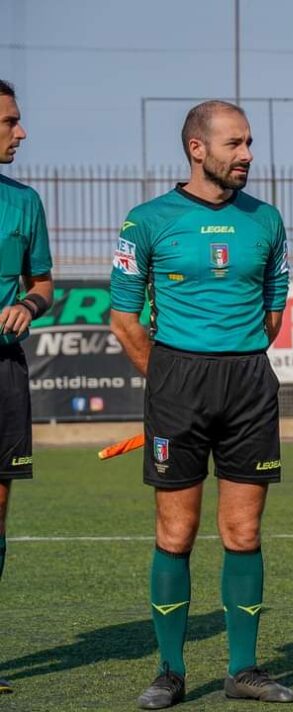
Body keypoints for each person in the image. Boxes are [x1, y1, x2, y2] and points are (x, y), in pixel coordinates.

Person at [110, 100, 293, 709]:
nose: (246, 155)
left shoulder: (266, 220)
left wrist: (231, 359)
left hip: (247, 383)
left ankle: (243, 670)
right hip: (176, 385)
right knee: (177, 530)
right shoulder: (145, 222)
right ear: (198, 148)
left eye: (249, 143)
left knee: (243, 531)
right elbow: (123, 318)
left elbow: (273, 310)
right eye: (234, 144)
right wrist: (168, 377)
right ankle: (170, 670)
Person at [0, 78, 54, 698]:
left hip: (3, 372)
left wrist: (30, 306)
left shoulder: (24, 202)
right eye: (10, 121)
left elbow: (41, 280)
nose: (22, 131)